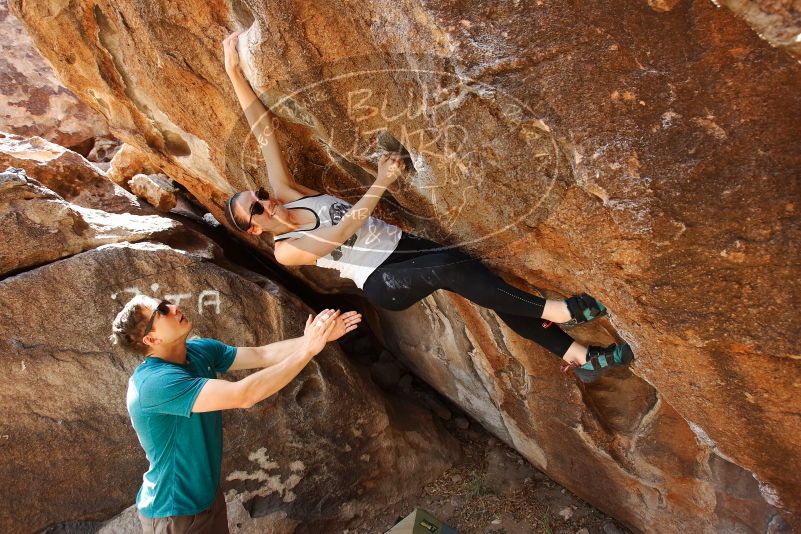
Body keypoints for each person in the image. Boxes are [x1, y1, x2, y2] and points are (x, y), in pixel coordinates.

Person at [221, 32, 632, 383]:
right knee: (449, 267)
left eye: (257, 194)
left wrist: (233, 73)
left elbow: (262, 130)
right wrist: (381, 182)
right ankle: (559, 311)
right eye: (255, 211)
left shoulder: (287, 191)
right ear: (254, 230)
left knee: (486, 285)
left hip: (404, 246)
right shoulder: (286, 248)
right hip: (381, 279)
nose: (263, 201)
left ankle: (580, 358)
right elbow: (343, 231)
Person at [110, 295, 361, 533]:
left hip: (207, 499)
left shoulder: (198, 351)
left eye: (167, 302)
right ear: (151, 340)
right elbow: (244, 395)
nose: (174, 307)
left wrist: (317, 338)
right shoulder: (155, 384)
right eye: (162, 311)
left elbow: (262, 354)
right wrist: (307, 351)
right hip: (174, 513)